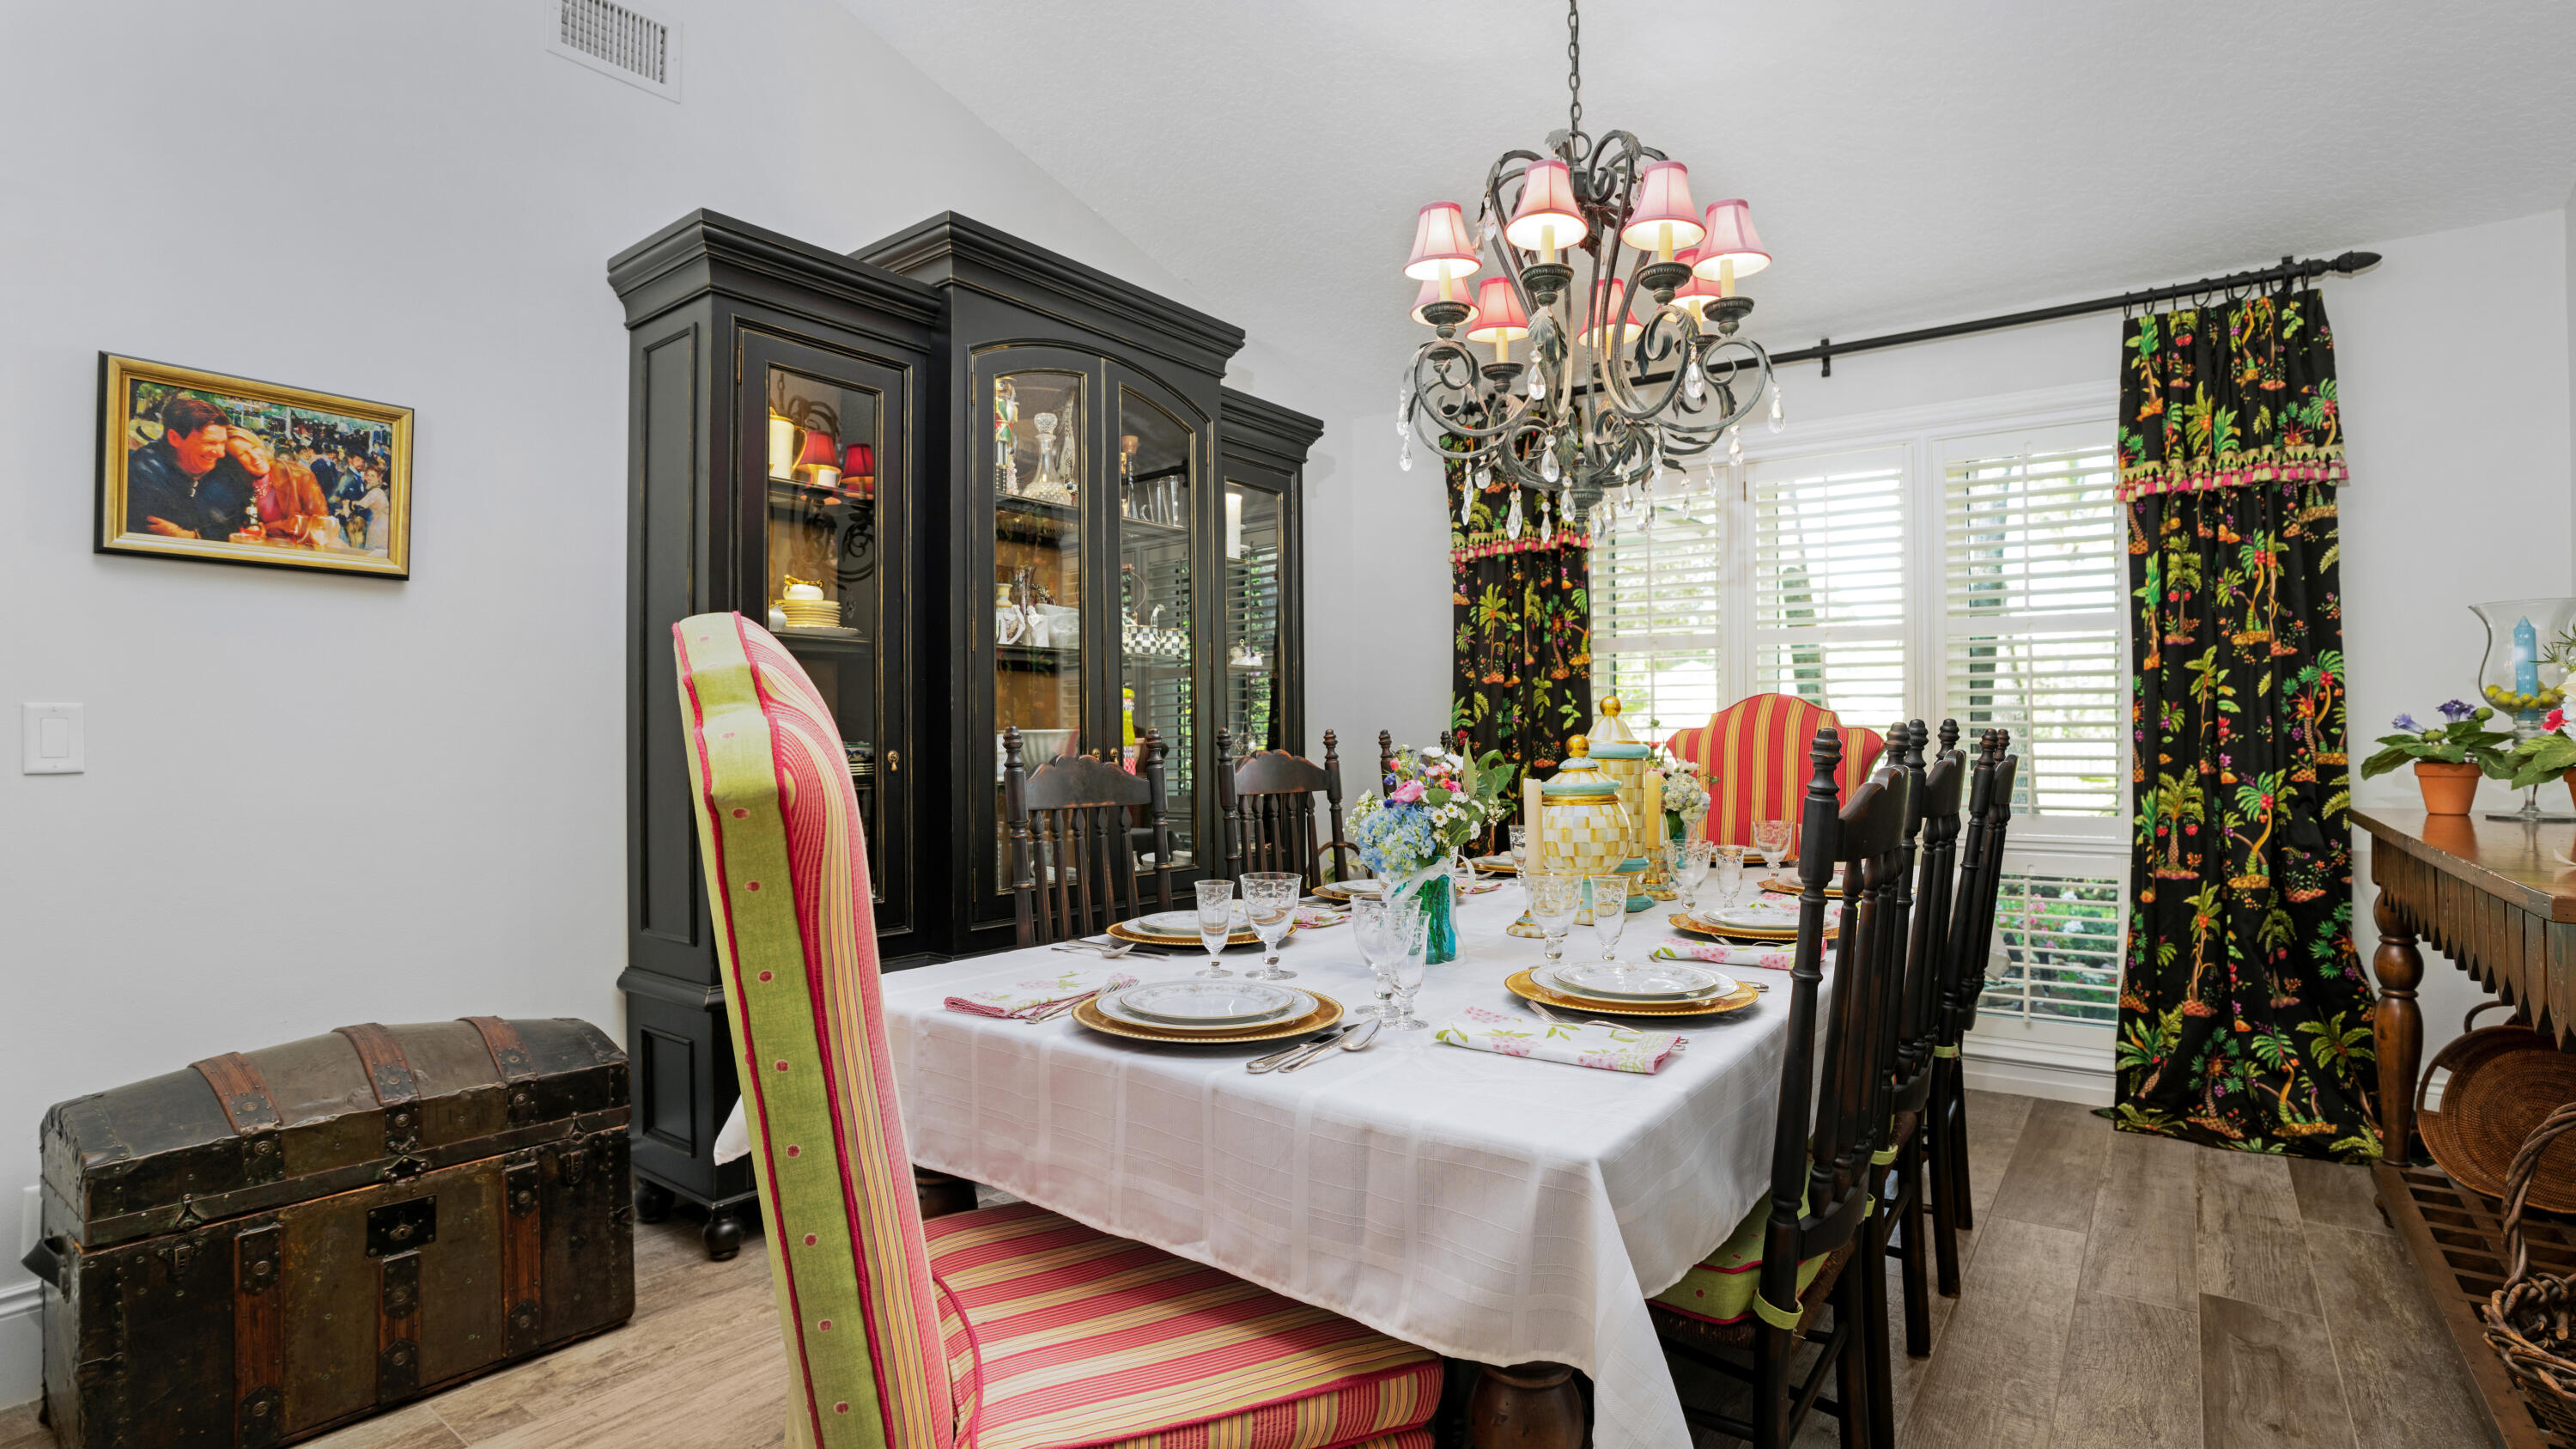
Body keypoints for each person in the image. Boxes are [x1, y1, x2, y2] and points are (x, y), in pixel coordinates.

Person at [124, 394, 234, 538]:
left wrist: (192, 535)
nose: (220, 453)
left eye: (222, 443)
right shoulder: (144, 474)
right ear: (174, 438)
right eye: (209, 443)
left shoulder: (218, 470)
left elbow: (237, 520)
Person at [355, 466, 393, 556]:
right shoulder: (375, 490)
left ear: (378, 478)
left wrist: (349, 504)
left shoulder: (376, 492)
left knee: (376, 552)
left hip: (380, 525)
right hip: (379, 522)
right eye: (368, 475)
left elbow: (361, 504)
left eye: (372, 476)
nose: (369, 478)